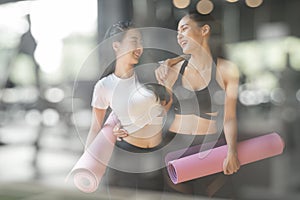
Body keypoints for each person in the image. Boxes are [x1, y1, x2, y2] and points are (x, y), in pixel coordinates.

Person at [155, 12, 240, 197]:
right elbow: (161, 113)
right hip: (176, 147)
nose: (178, 36)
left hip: (212, 148)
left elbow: (230, 117)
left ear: (204, 30)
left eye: (184, 28)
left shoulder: (227, 70)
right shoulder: (171, 71)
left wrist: (232, 151)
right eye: (177, 31)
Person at [85, 21, 171, 191]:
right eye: (134, 41)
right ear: (117, 45)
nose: (139, 47)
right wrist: (88, 165)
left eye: (141, 42)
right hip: (123, 161)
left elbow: (165, 106)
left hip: (154, 160)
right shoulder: (104, 86)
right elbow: (95, 128)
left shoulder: (149, 75)